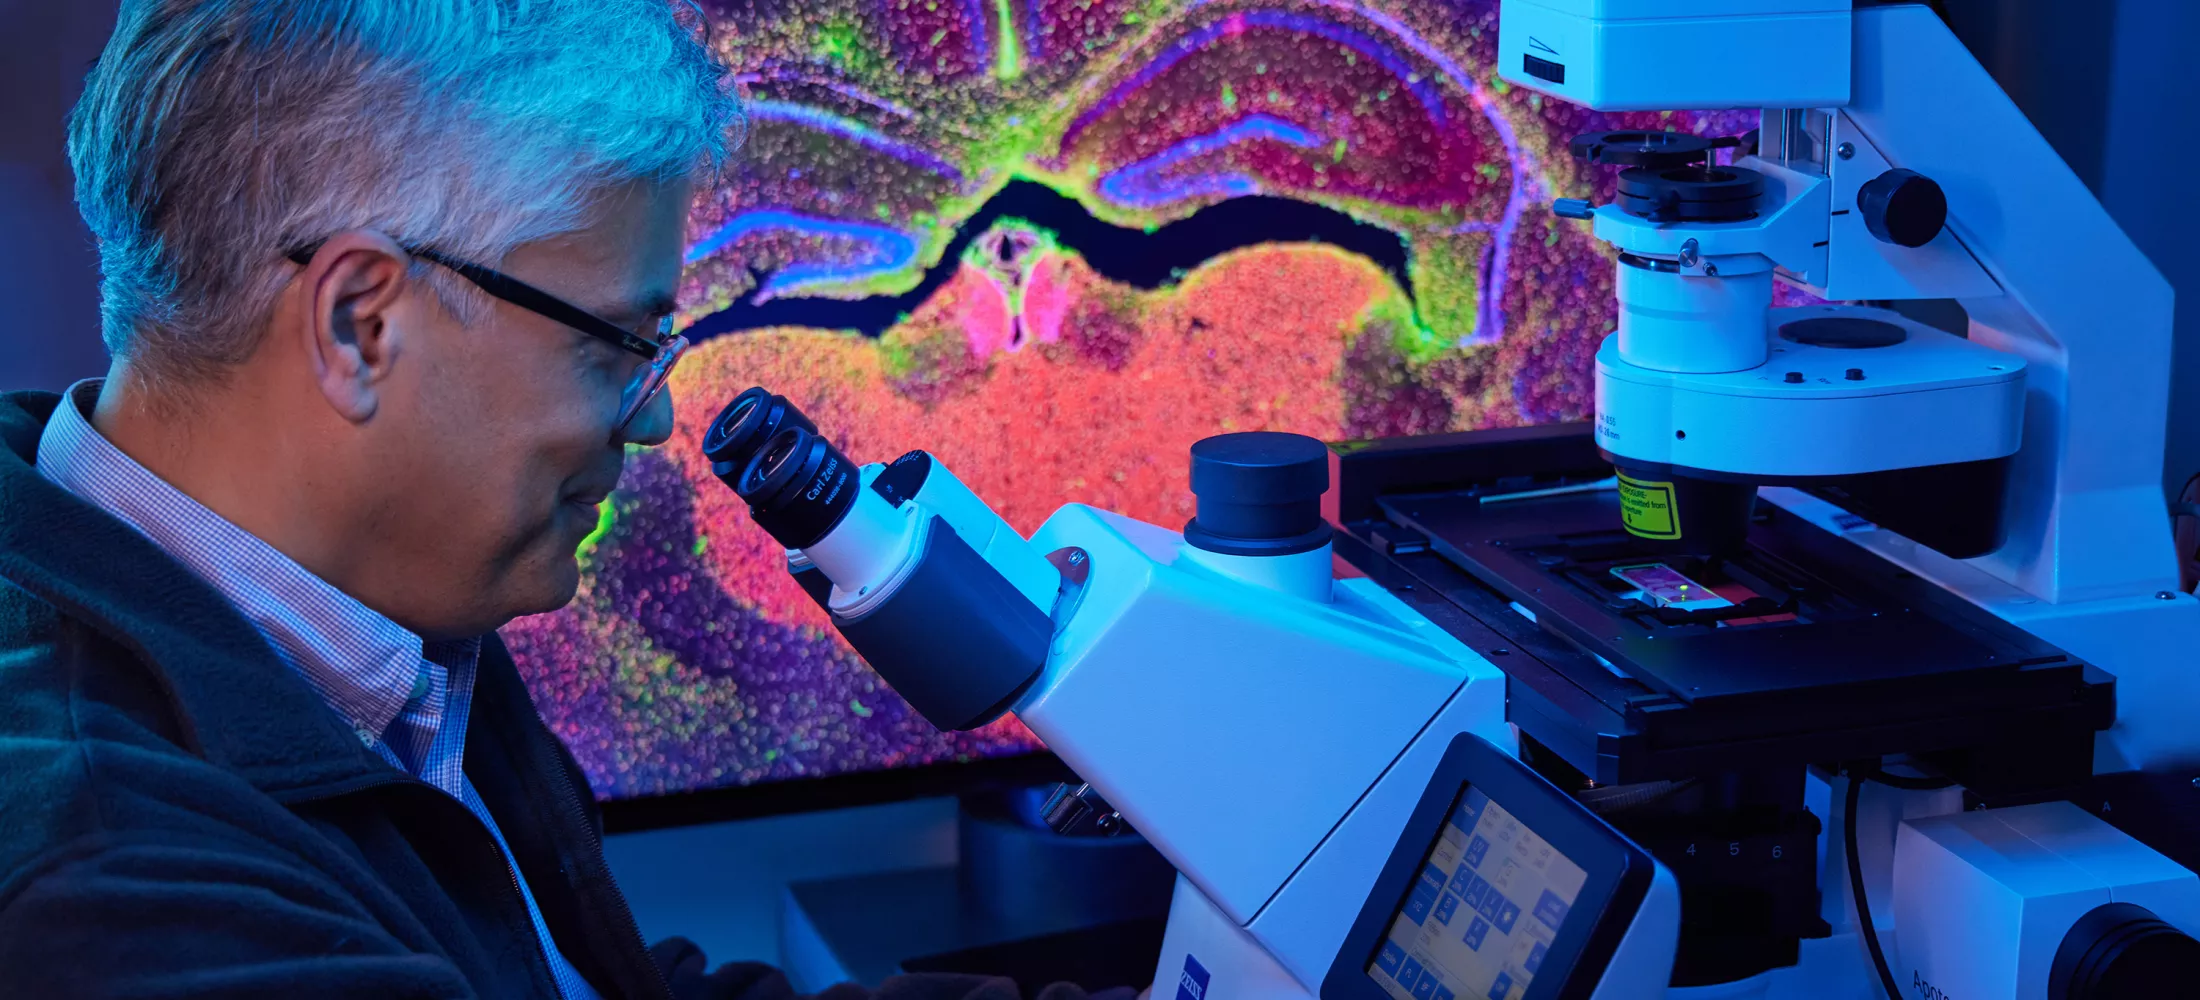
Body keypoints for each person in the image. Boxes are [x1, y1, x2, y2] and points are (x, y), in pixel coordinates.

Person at [0, 3, 1130, 998]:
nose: (651, 418)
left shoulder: (379, 618)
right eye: (620, 344)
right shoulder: (119, 892)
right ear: (361, 324)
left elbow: (572, 976)